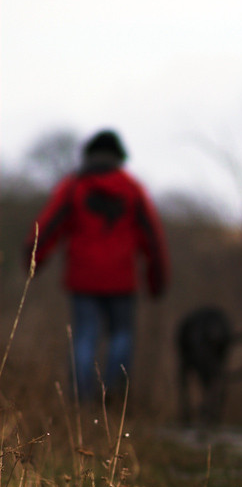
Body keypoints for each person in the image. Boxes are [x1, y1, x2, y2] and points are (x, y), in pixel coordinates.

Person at [22, 129, 169, 404]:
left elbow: (49, 224)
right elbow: (152, 236)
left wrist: (32, 258)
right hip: (121, 278)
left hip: (83, 277)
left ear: (89, 155)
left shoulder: (74, 186)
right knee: (121, 335)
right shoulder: (132, 188)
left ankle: (80, 400)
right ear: (119, 156)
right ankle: (112, 396)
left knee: (84, 337)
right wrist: (157, 278)